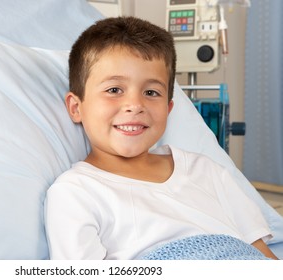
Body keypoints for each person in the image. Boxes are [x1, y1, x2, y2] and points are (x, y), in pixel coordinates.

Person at [44, 16, 278, 260]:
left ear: (168, 109)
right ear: (75, 107)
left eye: (151, 92)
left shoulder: (207, 172)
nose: (135, 105)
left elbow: (262, 257)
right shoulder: (75, 193)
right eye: (114, 90)